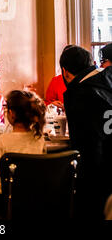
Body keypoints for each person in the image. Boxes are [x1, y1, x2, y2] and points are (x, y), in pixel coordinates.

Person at [60, 45, 112, 219]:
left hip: (98, 175)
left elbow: (84, 147)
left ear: (65, 72)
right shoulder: (107, 78)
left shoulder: (79, 94)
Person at [0, 90, 46, 194]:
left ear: (11, 113)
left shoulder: (3, 140)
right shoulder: (39, 139)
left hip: (9, 196)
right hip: (34, 195)